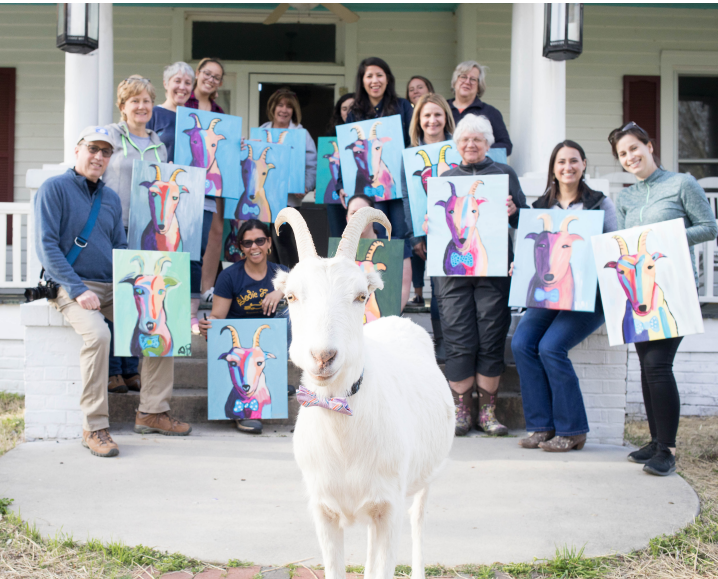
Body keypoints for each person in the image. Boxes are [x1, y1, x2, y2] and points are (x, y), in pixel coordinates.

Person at [33, 126, 191, 458]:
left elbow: (120, 246)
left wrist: (140, 279)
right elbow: (47, 248)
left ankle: (151, 412)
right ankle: (94, 426)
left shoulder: (110, 198)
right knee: (99, 336)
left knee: (165, 327)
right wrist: (78, 289)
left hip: (112, 284)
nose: (99, 157)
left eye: (106, 152)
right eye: (93, 149)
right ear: (78, 150)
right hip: (73, 285)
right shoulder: (53, 189)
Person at [608, 122, 718, 475]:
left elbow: (710, 227)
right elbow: (624, 245)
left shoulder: (682, 184)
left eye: (634, 148)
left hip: (674, 289)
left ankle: (668, 450)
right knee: (647, 366)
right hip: (639, 294)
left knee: (658, 365)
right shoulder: (626, 198)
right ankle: (656, 442)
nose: (630, 157)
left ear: (649, 146)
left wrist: (668, 239)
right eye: (622, 153)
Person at [511, 140, 618, 453]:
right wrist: (520, 265)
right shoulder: (540, 208)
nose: (567, 167)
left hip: (588, 296)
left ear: (583, 164)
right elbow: (531, 252)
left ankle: (572, 430)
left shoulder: (600, 205)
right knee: (521, 343)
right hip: (548, 295)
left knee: (551, 347)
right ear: (553, 168)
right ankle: (541, 426)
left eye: (574, 161)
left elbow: (615, 247)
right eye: (561, 162)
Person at [427, 113, 527, 437]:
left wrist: (514, 211)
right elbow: (435, 224)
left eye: (478, 140)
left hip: (493, 270)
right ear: (457, 144)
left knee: (491, 333)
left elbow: (525, 221)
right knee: (458, 335)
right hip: (452, 273)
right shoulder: (445, 178)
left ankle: (487, 412)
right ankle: (461, 411)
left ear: (488, 144)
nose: (471, 145)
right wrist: (430, 225)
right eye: (465, 140)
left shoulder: (504, 174)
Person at [103, 76, 168, 393]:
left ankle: (131, 368)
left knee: (138, 297)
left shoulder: (160, 144)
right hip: (116, 225)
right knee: (115, 296)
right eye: (135, 101)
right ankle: (113, 369)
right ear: (123, 106)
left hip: (148, 232)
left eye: (146, 101)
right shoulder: (110, 137)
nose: (141, 106)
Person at [199, 220, 290, 435]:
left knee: (292, 312)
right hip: (239, 343)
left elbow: (300, 287)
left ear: (269, 243)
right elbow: (218, 316)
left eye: (260, 241)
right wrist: (209, 326)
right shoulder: (229, 276)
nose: (254, 247)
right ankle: (245, 412)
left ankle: (276, 378)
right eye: (248, 243)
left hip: (268, 342)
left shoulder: (283, 274)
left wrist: (280, 291)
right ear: (241, 247)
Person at [342, 57, 414, 311]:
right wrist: (343, 184)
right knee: (371, 236)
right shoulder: (355, 112)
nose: (375, 80)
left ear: (388, 78)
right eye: (369, 76)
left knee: (399, 238)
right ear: (362, 81)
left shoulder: (403, 106)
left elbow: (412, 142)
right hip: (367, 190)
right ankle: (369, 300)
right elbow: (348, 153)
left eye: (379, 75)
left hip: (398, 188)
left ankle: (397, 300)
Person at [407, 93, 457, 362]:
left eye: (438, 114)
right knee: (437, 291)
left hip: (455, 229)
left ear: (446, 118)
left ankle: (454, 345)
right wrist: (415, 236)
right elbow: (408, 197)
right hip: (425, 231)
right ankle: (441, 344)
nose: (432, 120)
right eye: (427, 115)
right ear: (419, 120)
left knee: (450, 291)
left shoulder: (458, 150)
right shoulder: (410, 156)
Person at [185, 58, 226, 331]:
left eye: (216, 77)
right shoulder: (183, 104)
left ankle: (203, 293)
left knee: (207, 239)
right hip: (183, 181)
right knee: (185, 241)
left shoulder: (218, 112)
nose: (210, 79)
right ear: (198, 74)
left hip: (210, 185)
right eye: (207, 74)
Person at [259, 88, 317, 269]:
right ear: (272, 107)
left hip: (290, 200)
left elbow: (312, 165)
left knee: (282, 239)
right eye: (280, 105)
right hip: (264, 199)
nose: (284, 110)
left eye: (289, 106)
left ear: (294, 110)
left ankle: (293, 277)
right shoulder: (262, 132)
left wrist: (305, 185)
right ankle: (275, 281)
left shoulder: (301, 134)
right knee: (266, 242)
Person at [447, 61, 512, 156]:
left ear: (479, 86)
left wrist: (480, 148)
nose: (467, 82)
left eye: (473, 79)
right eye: (463, 77)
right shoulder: (441, 109)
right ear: (455, 81)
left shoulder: (490, 112)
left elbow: (506, 146)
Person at [146, 61, 195, 163]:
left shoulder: (194, 118)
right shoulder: (153, 114)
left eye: (187, 83)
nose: (182, 87)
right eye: (177, 81)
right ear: (166, 84)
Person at [324, 92, 355, 238]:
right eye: (344, 108)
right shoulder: (330, 137)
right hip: (335, 197)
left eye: (352, 107)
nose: (348, 112)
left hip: (361, 194)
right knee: (338, 238)